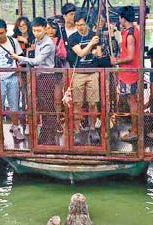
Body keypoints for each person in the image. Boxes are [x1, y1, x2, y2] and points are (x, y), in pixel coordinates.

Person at [10, 17, 57, 145]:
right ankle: (45, 135)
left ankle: (50, 137)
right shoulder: (37, 40)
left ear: (45, 29)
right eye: (34, 30)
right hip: (38, 76)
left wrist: (18, 57)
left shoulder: (48, 43)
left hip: (47, 76)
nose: (36, 33)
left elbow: (37, 61)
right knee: (41, 106)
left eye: (39, 30)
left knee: (48, 108)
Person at [0, 19, 25, 140]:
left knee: (14, 104)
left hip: (12, 77)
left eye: (1, 33)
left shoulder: (13, 42)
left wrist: (19, 77)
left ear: (6, 31)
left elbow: (19, 60)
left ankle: (15, 127)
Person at [68, 11, 101, 144]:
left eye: (82, 24)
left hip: (92, 73)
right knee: (77, 103)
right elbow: (81, 53)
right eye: (77, 25)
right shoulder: (73, 38)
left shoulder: (94, 35)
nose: (80, 27)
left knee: (93, 102)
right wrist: (91, 45)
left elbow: (98, 53)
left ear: (87, 24)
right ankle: (76, 131)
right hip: (78, 74)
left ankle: (93, 128)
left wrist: (93, 47)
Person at [110, 6, 141, 142]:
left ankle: (135, 130)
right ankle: (135, 128)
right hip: (128, 72)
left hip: (130, 73)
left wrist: (116, 60)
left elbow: (130, 56)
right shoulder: (131, 30)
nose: (119, 20)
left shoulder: (130, 35)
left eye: (119, 18)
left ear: (123, 18)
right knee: (131, 100)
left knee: (132, 101)